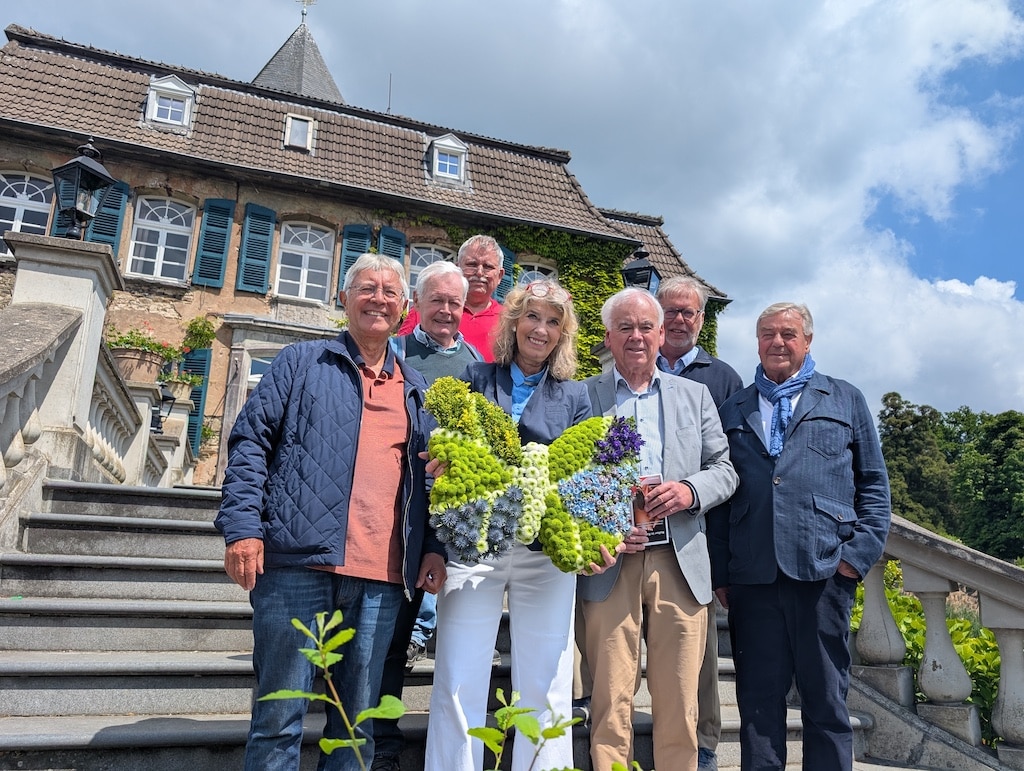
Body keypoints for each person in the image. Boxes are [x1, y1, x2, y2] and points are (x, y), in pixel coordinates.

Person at [215, 252, 447, 771]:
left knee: (355, 727)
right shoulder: (300, 362)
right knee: (278, 719)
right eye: (367, 288)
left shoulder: (417, 391)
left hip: (382, 579)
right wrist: (243, 528)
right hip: (297, 566)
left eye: (390, 292)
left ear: (404, 308)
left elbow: (430, 482)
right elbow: (250, 443)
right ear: (343, 298)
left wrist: (433, 547)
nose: (378, 299)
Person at [424, 279, 612, 771]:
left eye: (553, 322)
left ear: (562, 335)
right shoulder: (476, 375)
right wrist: (444, 458)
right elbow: (451, 443)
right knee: (459, 672)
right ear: (513, 322)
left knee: (547, 677)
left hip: (543, 554)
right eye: (532, 316)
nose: (541, 329)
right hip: (476, 543)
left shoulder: (576, 395)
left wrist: (591, 535)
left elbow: (585, 474)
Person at [708, 302, 891, 771]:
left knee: (826, 698)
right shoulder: (734, 408)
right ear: (757, 343)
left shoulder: (844, 398)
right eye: (767, 334)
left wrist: (856, 557)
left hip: (824, 569)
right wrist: (721, 572)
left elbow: (873, 484)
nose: (777, 342)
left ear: (807, 341)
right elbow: (721, 500)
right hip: (753, 576)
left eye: (788, 334)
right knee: (757, 704)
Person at [578, 287, 738, 771]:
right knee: (610, 696)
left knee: (681, 698)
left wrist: (689, 490)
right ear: (608, 336)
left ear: (661, 333)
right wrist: (606, 521)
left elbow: (725, 469)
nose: (636, 336)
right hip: (611, 559)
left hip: (679, 559)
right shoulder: (583, 395)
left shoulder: (695, 395)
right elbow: (566, 477)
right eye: (625, 327)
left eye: (646, 327)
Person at [372, 260, 482, 771]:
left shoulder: (477, 365)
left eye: (454, 303)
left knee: (403, 634)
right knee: (381, 627)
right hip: (392, 507)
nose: (445, 310)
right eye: (436, 300)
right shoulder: (393, 352)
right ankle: (363, 732)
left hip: (446, 515)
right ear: (416, 304)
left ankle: (386, 742)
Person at [397, 234, 506, 361]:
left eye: (488, 267)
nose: (479, 272)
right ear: (457, 268)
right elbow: (398, 355)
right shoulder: (424, 310)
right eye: (472, 264)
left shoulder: (509, 319)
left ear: (500, 275)